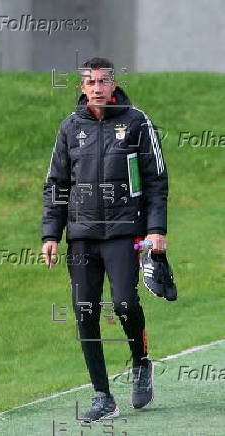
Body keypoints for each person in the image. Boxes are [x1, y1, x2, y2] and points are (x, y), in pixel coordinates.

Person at [41, 57, 168, 421]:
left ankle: (142, 361)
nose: (97, 87)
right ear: (82, 87)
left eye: (103, 81)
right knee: (85, 312)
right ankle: (102, 395)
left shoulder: (136, 122)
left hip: (125, 232)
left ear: (113, 85)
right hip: (81, 237)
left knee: (126, 303)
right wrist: (51, 233)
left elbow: (156, 181)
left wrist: (156, 230)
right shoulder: (69, 127)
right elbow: (57, 186)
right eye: (90, 82)